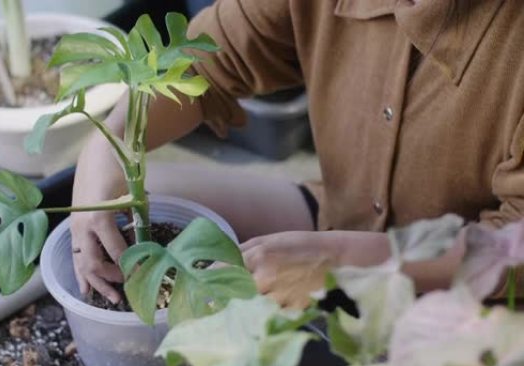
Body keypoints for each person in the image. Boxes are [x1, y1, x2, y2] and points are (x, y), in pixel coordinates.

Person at [67, 0, 524, 307]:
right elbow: (210, 59)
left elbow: (513, 250)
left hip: (466, 297)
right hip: (340, 212)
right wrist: (111, 141)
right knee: (146, 202)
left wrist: (341, 261)